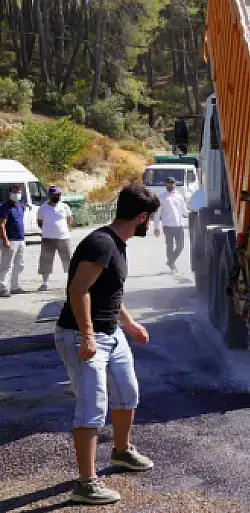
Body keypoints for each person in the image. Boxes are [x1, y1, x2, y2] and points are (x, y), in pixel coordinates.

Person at [54, 184, 160, 505]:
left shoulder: (118, 243)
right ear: (141, 216)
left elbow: (110, 292)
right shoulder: (101, 243)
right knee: (92, 407)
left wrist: (130, 324)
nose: (151, 224)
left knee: (127, 393)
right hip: (83, 336)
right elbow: (78, 290)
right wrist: (87, 335)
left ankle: (121, 452)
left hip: (111, 333)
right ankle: (86, 484)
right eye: (150, 218)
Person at [38, 185, 74, 291]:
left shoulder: (64, 206)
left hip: (63, 238)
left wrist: (67, 228)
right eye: (55, 195)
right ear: (50, 195)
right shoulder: (43, 208)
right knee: (46, 261)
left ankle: (70, 281)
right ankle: (45, 283)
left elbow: (69, 218)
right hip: (48, 238)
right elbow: (39, 222)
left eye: (59, 195)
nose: (57, 196)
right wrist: (48, 230)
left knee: (67, 260)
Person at [152, 177, 188, 272]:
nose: (170, 185)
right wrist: (156, 228)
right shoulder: (161, 197)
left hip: (179, 225)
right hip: (167, 226)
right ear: (165, 185)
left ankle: (171, 261)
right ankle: (172, 264)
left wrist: (194, 213)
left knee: (180, 246)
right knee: (169, 245)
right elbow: (157, 214)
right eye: (168, 183)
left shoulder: (179, 196)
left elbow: (184, 211)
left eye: (172, 183)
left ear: (175, 184)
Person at [0, 184, 27, 296]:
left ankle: (15, 286)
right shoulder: (5, 207)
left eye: (19, 192)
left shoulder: (20, 207)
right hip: (10, 239)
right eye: (15, 192)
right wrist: (5, 240)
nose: (17, 194)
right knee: (7, 265)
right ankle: (3, 288)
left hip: (20, 239)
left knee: (20, 264)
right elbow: (2, 225)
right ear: (9, 193)